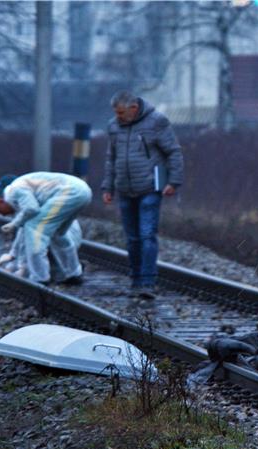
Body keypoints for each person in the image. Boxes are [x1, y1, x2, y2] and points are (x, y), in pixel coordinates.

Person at [101, 90, 184, 299]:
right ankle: (136, 280)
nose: (118, 117)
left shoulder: (157, 121)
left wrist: (174, 181)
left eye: (121, 113)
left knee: (147, 235)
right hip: (124, 189)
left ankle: (147, 282)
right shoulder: (114, 127)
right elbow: (111, 158)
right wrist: (108, 187)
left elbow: (173, 151)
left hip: (150, 188)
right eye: (116, 113)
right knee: (132, 238)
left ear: (134, 108)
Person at [0, 172, 92, 285]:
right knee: (58, 234)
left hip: (69, 192)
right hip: (83, 191)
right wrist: (13, 254)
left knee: (34, 229)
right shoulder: (22, 188)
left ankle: (40, 278)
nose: (2, 215)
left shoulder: (13, 191)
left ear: (0, 201)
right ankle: (73, 273)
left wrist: (14, 223)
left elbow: (31, 209)